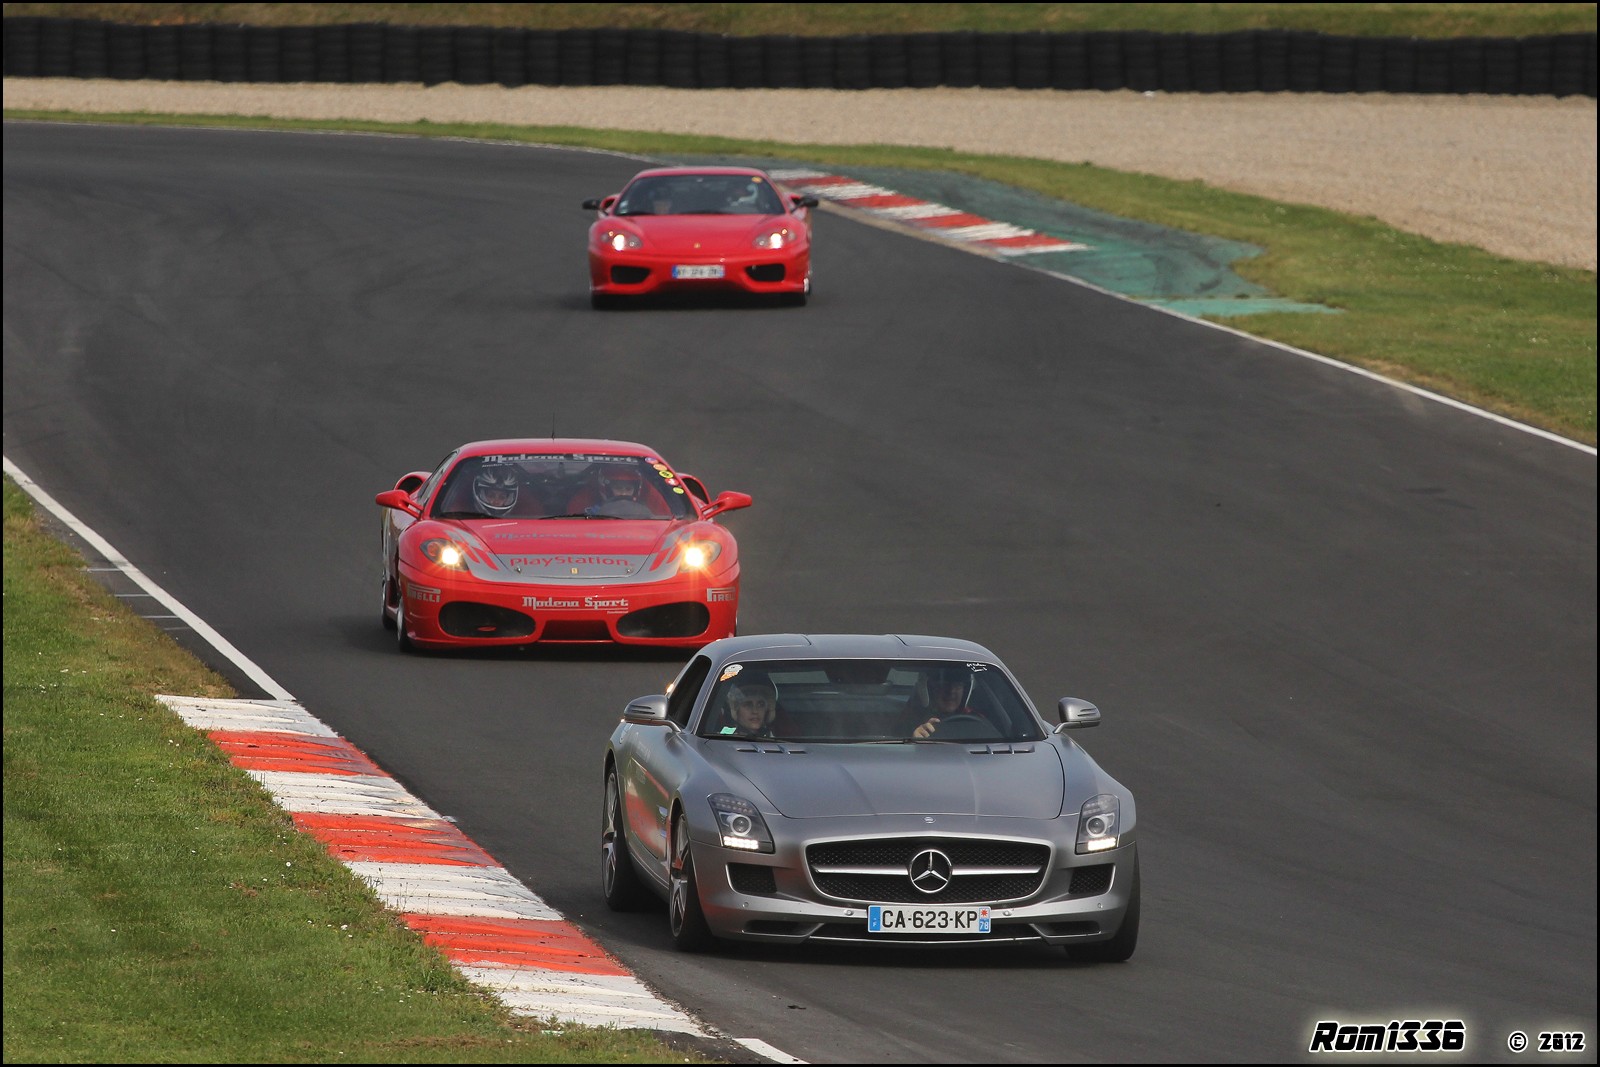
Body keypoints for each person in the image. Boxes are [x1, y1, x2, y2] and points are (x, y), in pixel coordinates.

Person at [905, 666, 989, 739]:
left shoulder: (977, 720)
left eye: (958, 685)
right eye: (944, 684)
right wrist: (913, 742)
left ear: (966, 691)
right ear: (930, 688)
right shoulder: (912, 717)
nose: (951, 691)